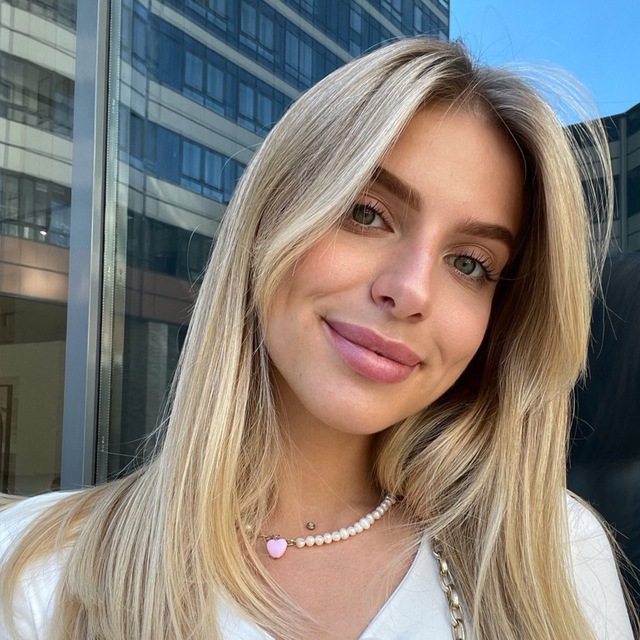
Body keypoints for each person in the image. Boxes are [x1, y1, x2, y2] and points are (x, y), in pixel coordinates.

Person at [0, 37, 636, 640]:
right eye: (366, 213)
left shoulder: (555, 554)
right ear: (269, 218)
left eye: (470, 263)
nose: (410, 291)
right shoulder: (38, 573)